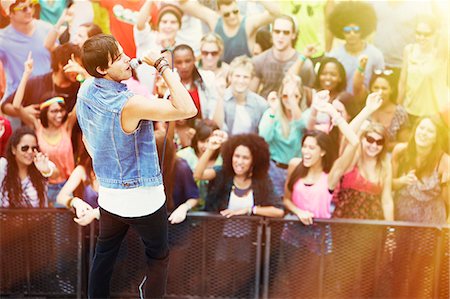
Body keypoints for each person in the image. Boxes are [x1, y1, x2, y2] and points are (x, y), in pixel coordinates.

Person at [76, 34, 197, 298]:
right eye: (118, 58)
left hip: (109, 194)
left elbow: (87, 137)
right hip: (143, 197)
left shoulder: (85, 89)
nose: (127, 60)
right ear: (101, 69)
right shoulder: (129, 104)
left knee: (104, 254)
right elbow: (188, 109)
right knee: (158, 256)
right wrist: (162, 66)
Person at [0, 0, 52, 128]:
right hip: (17, 104)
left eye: (31, 6)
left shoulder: (48, 29)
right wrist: (20, 111)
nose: (29, 11)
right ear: (9, 13)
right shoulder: (2, 39)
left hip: (48, 103)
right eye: (23, 8)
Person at [179, 0, 280, 63]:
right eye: (227, 14)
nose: (232, 16)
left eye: (235, 12)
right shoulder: (214, 20)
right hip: (220, 75)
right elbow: (184, 4)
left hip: (243, 75)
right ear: (219, 12)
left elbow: (276, 13)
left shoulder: (248, 23)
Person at [392, 116, 449, 224]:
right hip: (402, 220)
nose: (424, 133)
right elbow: (389, 185)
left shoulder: (444, 161)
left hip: (432, 223)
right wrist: (402, 181)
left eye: (430, 131)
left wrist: (447, 183)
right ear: (415, 130)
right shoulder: (400, 151)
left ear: (436, 138)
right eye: (421, 128)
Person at [259, 74, 307, 198]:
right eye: (285, 95)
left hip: (297, 170)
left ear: (300, 97)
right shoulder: (271, 114)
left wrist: (293, 103)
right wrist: (273, 111)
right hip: (274, 169)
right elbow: (264, 138)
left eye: (295, 96)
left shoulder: (305, 115)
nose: (289, 99)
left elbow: (303, 126)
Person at [397, 14, 448, 123]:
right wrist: (399, 106)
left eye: (426, 34)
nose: (421, 37)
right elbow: (402, 81)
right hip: (409, 110)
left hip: (432, 114)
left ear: (435, 34)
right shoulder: (409, 50)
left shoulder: (440, 55)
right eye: (418, 33)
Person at [251, 15, 315, 99]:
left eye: (286, 32)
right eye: (277, 31)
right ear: (271, 33)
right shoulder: (259, 60)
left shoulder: (305, 64)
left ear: (293, 35)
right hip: (266, 108)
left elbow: (308, 96)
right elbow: (251, 95)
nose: (281, 36)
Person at [328, 1, 384, 94]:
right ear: (341, 32)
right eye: (347, 30)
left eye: (356, 30)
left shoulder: (376, 55)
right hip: (341, 102)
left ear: (362, 30)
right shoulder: (334, 56)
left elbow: (379, 83)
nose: (352, 34)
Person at [353, 65, 410, 150]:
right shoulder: (366, 108)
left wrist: (379, 146)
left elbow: (404, 143)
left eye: (384, 88)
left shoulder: (400, 113)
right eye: (376, 88)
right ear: (371, 89)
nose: (380, 92)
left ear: (392, 90)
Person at [1, 126, 56, 208]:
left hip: (37, 219)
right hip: (7, 220)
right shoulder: (3, 166)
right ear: (13, 149)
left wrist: (45, 170)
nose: (30, 152)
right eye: (25, 148)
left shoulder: (40, 164)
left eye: (34, 148)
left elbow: (56, 173)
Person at [135, 2, 183, 94]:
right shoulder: (148, 38)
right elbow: (140, 24)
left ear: (179, 26)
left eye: (173, 22)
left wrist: (168, 47)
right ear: (158, 25)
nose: (168, 26)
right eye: (164, 22)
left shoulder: (180, 49)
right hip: (143, 96)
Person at [216, 55, 267, 135]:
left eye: (245, 77)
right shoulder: (221, 98)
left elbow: (270, 123)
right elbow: (217, 127)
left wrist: (273, 112)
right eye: (237, 76)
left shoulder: (260, 103)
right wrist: (220, 97)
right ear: (230, 77)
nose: (241, 81)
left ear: (251, 79)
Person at [197, 33, 230, 98]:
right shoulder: (193, 68)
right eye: (205, 53)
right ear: (200, 52)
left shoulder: (227, 70)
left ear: (220, 52)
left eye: (214, 53)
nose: (209, 57)